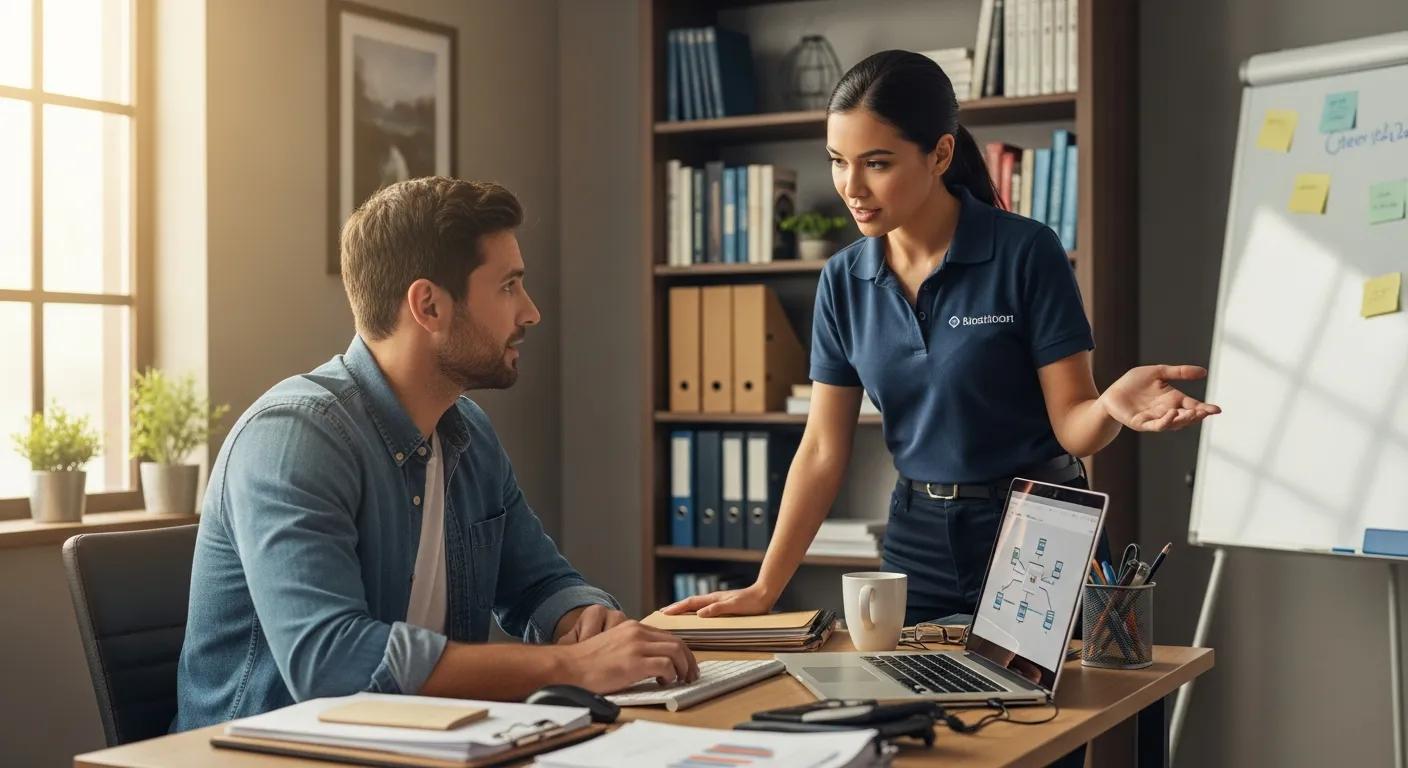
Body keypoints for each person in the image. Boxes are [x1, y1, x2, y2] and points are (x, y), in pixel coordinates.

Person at [665, 51, 1219, 627]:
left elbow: (1072, 427)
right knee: (909, 704)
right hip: (916, 539)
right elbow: (823, 451)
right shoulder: (843, 279)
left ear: (941, 154)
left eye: (876, 163)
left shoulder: (1025, 252)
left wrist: (1109, 406)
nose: (851, 187)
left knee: (1049, 714)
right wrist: (764, 588)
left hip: (1036, 527)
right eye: (837, 161)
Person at [174, 177, 696, 732]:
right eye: (509, 286)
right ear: (428, 305)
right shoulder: (293, 439)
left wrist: (581, 619)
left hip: (425, 746)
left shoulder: (466, 433)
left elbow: (538, 584)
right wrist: (571, 665)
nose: (531, 312)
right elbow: (329, 663)